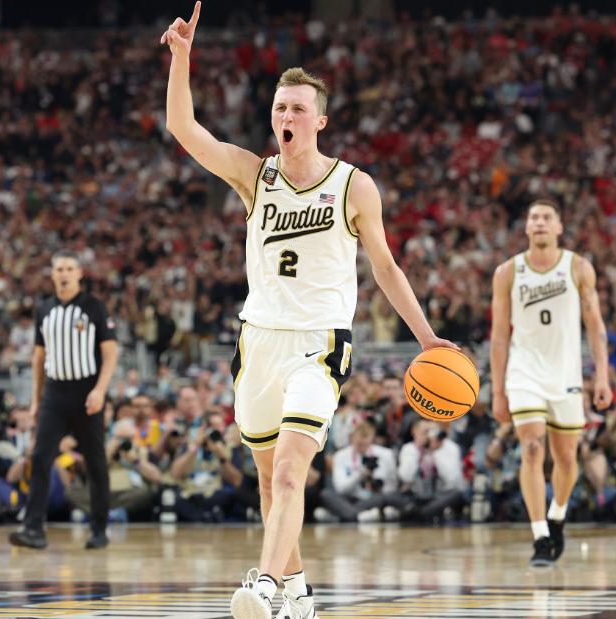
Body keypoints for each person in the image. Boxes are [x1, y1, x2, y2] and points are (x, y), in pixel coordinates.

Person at [160, 4, 457, 617]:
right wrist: (182, 58)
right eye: (279, 107)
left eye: (297, 107)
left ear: (320, 119)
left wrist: (427, 339)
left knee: (294, 472)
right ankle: (297, 590)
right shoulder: (254, 175)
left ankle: (265, 587)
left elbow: (385, 267)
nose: (286, 116)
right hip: (258, 342)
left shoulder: (354, 185)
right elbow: (186, 130)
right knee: (270, 483)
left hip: (319, 345)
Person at [489, 198, 611, 567]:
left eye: (546, 218)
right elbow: (498, 336)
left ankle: (558, 514)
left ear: (559, 227)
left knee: (566, 458)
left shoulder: (578, 267)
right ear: (526, 228)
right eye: (533, 218)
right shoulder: (508, 272)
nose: (539, 222)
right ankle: (540, 534)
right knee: (531, 448)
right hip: (524, 371)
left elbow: (595, 325)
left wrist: (602, 375)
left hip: (566, 373)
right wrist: (497, 391)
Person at [8, 250, 119, 550]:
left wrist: (100, 390)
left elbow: (111, 353)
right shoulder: (43, 309)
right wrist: (35, 399)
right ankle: (33, 529)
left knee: (96, 463)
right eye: (60, 269)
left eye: (70, 268)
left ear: (79, 273)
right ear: (53, 274)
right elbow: (38, 356)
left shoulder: (94, 306)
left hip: (87, 393)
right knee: (41, 457)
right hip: (55, 393)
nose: (65, 273)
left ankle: (99, 530)